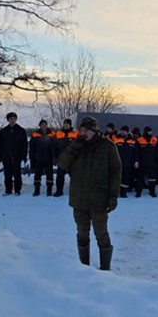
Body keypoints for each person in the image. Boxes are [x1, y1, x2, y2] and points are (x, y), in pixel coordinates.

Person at [57, 116, 121, 270]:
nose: (83, 133)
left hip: (99, 199)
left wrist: (113, 196)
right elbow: (62, 164)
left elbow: (115, 172)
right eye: (81, 130)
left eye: (86, 131)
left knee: (101, 234)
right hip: (79, 198)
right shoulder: (76, 145)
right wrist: (74, 147)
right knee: (82, 233)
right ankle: (84, 268)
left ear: (94, 130)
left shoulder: (107, 146)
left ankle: (105, 268)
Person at [0, 112, 28, 196]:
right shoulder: (4, 131)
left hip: (17, 156)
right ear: (8, 120)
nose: (12, 120)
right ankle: (8, 190)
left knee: (17, 174)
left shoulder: (21, 130)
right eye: (11, 119)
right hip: (6, 156)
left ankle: (17, 190)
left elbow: (25, 144)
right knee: (7, 174)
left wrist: (24, 155)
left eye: (14, 119)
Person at [29, 119, 57, 196]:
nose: (44, 126)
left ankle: (49, 190)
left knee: (50, 175)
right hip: (38, 158)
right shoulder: (35, 134)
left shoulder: (52, 134)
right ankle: (36, 190)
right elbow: (32, 148)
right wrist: (32, 159)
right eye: (42, 124)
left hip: (49, 159)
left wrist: (54, 157)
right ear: (40, 125)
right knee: (37, 175)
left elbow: (54, 147)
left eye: (45, 124)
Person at [53, 119, 76, 197]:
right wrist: (55, 157)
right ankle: (59, 191)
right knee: (59, 176)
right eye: (64, 123)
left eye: (67, 124)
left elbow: (79, 146)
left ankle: (75, 191)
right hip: (61, 158)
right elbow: (54, 146)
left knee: (74, 176)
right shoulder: (58, 134)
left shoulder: (75, 134)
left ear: (70, 125)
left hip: (72, 159)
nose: (65, 125)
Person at [134, 127, 158, 198]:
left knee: (152, 178)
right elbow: (136, 152)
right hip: (142, 162)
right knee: (140, 177)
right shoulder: (139, 140)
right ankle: (138, 192)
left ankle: (152, 192)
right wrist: (136, 161)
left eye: (151, 131)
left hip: (152, 162)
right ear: (146, 132)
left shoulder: (155, 139)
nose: (151, 133)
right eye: (149, 131)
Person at [114, 126, 137, 198]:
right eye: (122, 131)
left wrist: (136, 161)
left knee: (125, 178)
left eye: (124, 131)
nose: (122, 132)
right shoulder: (116, 139)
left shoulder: (132, 140)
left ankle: (123, 192)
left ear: (127, 132)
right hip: (117, 162)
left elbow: (136, 152)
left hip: (128, 163)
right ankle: (117, 192)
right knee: (117, 178)